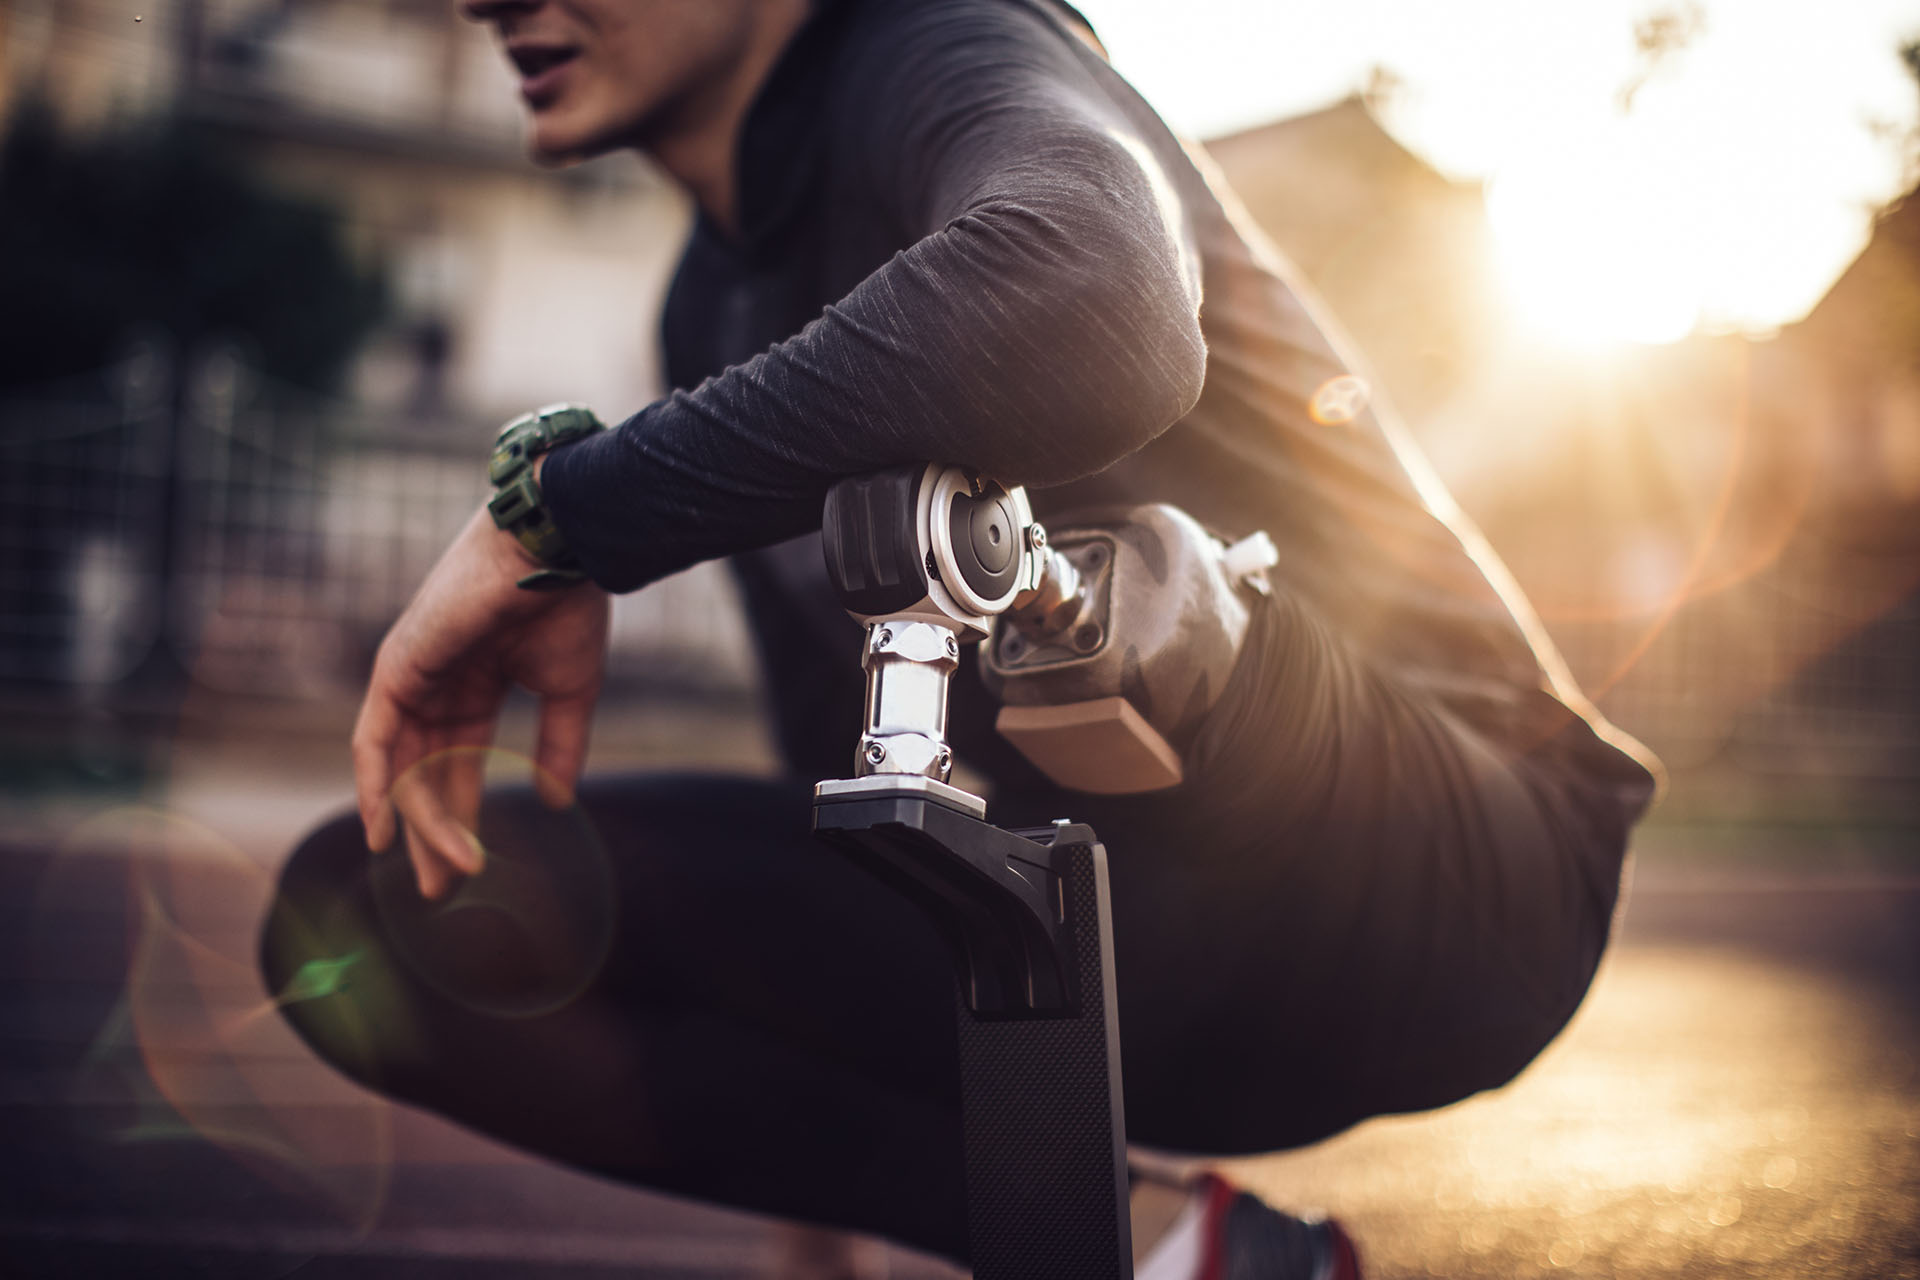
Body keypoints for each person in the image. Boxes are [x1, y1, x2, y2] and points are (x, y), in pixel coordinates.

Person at [262, 0, 1661, 1276]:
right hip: (1102, 930)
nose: (486, 3)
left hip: (1440, 872)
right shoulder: (707, 303)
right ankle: (1187, 1256)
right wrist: (825, 1233)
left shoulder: (941, 49)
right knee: (372, 915)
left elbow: (1097, 298)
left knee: (1141, 622)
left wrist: (550, 524)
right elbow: (852, 753)